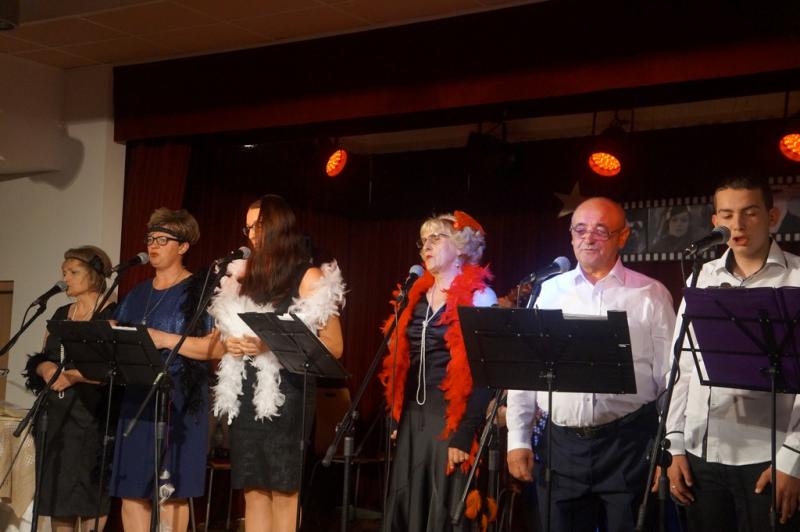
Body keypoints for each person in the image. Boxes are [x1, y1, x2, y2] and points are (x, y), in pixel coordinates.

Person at [506, 197, 676, 531]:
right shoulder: (547, 292)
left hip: (629, 444)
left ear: (622, 237)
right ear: (570, 236)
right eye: (580, 230)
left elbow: (671, 377)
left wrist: (672, 447)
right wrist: (518, 439)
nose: (588, 238)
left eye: (601, 230)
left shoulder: (650, 294)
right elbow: (526, 372)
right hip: (560, 448)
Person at [665, 177, 800, 530]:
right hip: (701, 455)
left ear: (772, 216)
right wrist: (674, 444)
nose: (737, 225)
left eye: (749, 213)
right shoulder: (700, 278)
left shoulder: (797, 278)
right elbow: (681, 367)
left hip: (770, 456)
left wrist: (794, 458)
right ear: (715, 222)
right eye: (726, 215)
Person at [209, 194, 345, 532]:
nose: (252, 235)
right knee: (254, 490)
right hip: (246, 394)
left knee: (284, 491)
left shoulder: (307, 276)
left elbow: (334, 346)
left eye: (259, 226)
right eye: (248, 228)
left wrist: (271, 344)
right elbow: (226, 333)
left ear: (279, 227)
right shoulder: (244, 277)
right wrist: (230, 344)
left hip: (288, 397)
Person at [380, 211, 498, 532]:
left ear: (461, 246)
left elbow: (486, 374)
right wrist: (396, 414)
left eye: (436, 237)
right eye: (423, 240)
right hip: (412, 419)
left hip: (451, 420)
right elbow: (401, 363)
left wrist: (465, 432)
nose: (426, 246)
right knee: (409, 504)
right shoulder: (414, 296)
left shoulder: (479, 296)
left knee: (443, 510)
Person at [110, 208, 223, 532]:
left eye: (163, 239)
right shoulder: (136, 294)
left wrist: (162, 339)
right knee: (132, 488)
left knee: (171, 491)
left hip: (181, 398)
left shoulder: (201, 291)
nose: (153, 245)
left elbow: (215, 348)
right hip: (139, 395)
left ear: (183, 246)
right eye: (150, 238)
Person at [23, 246, 116, 531]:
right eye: (64, 272)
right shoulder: (61, 313)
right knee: (58, 496)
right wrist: (44, 368)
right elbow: (43, 357)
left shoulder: (112, 313)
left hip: (91, 417)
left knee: (89, 496)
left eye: (73, 272)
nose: (66, 279)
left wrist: (75, 376)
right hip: (55, 417)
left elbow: (116, 369)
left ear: (95, 274)